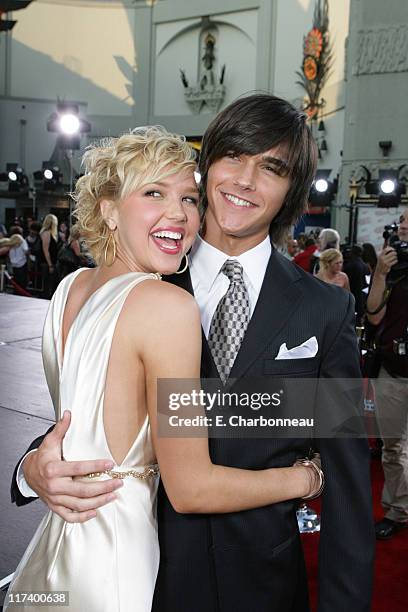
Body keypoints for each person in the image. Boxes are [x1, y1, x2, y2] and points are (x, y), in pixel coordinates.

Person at [11, 96, 374, 612]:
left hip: (264, 582)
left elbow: (349, 481)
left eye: (271, 168)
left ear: (292, 190)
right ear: (208, 167)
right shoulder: (142, 282)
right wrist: (32, 469)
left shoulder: (325, 309)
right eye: (233, 157)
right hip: (149, 577)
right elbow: (86, 412)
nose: (245, 180)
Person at [366, 209, 408, 540]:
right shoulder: (391, 269)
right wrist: (380, 273)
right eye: (403, 220)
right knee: (393, 447)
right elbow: (374, 316)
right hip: (392, 370)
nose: (404, 224)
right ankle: (397, 510)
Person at [343, 244, 370, 325]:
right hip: (363, 298)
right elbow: (367, 284)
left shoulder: (349, 266)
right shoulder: (366, 266)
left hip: (353, 298)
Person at [39, 214, 59, 298]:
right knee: (47, 284)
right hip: (47, 263)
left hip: (50, 262)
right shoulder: (46, 233)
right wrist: (50, 264)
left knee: (50, 283)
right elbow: (45, 250)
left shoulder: (50, 233)